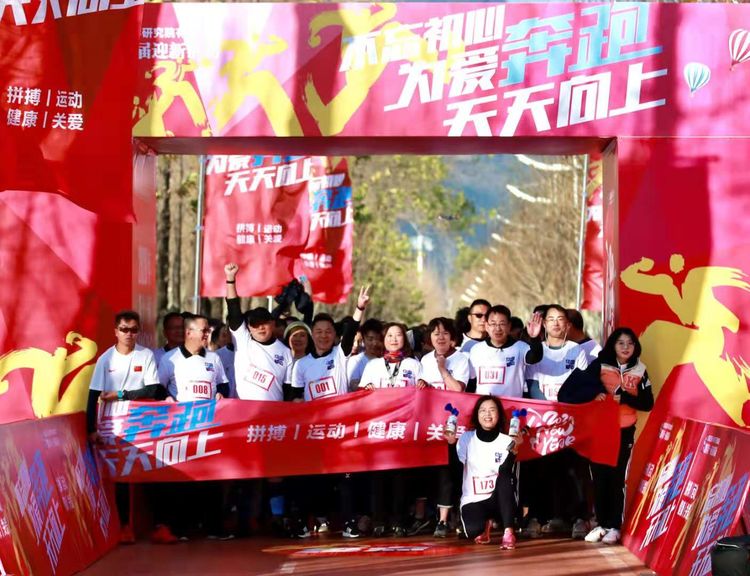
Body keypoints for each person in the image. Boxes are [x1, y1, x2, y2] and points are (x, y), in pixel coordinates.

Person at [86, 310, 160, 544]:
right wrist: (91, 429)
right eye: (124, 329)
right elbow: (93, 395)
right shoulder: (105, 359)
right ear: (116, 331)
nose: (129, 334)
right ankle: (125, 527)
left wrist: (120, 394)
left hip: (141, 424)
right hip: (113, 425)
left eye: (134, 330)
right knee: (121, 476)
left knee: (147, 472)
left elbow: (153, 389)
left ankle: (154, 525)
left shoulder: (146, 355)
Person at [158, 314, 230, 540]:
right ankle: (181, 528)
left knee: (212, 479)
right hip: (181, 430)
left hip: (209, 428)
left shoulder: (214, 359)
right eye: (204, 330)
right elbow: (158, 388)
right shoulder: (170, 359)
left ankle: (214, 527)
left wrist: (221, 394)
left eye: (208, 330)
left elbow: (224, 385)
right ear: (189, 333)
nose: (208, 333)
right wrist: (166, 399)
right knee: (183, 480)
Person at [581, 328, 654, 545]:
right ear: (613, 345)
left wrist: (625, 399)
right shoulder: (599, 365)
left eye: (630, 343)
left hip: (624, 431)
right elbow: (580, 388)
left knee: (617, 478)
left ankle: (615, 526)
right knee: (599, 477)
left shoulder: (640, 369)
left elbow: (648, 403)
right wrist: (594, 394)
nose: (625, 347)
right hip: (599, 430)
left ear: (635, 347)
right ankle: (601, 524)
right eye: (621, 343)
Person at [524, 304, 589, 539]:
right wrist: (548, 411)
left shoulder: (576, 350)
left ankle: (578, 518)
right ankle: (540, 517)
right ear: (544, 324)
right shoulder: (535, 350)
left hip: (569, 421)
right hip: (544, 422)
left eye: (560, 319)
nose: (555, 323)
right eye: (550, 319)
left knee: (572, 470)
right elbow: (531, 384)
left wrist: (564, 410)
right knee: (542, 470)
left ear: (567, 324)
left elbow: (582, 383)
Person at [445, 395, 520, 550]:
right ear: (477, 415)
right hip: (473, 499)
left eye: (492, 410)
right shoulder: (467, 438)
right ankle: (485, 526)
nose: (488, 414)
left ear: (499, 414)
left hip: (498, 499)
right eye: (483, 410)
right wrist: (451, 445)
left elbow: (506, 472)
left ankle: (508, 532)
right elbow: (456, 471)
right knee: (473, 531)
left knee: (504, 477)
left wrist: (514, 450)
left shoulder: (506, 440)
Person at [418, 317, 470, 537]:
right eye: (436, 333)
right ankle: (433, 518)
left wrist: (443, 370)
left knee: (452, 471)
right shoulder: (424, 360)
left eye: (445, 333)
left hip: (455, 424)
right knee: (435, 473)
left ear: (453, 338)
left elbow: (458, 389)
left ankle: (449, 518)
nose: (440, 337)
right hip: (431, 425)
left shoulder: (461, 359)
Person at [224, 263, 294, 401]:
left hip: (273, 412)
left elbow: (288, 391)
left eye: (264, 323)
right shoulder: (243, 341)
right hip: (244, 411)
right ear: (249, 328)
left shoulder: (286, 352)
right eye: (255, 324)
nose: (260, 328)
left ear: (272, 324)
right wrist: (230, 279)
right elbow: (233, 308)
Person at [468, 305, 543, 398]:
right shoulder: (476, 349)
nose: (498, 329)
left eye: (502, 324)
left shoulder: (520, 347)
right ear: (487, 326)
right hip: (485, 405)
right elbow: (471, 381)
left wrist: (535, 338)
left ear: (509, 326)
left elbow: (535, 357)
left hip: (512, 405)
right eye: (493, 324)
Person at [347, 318, 384, 390]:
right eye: (370, 339)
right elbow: (353, 383)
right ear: (363, 339)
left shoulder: (387, 360)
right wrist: (366, 388)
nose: (374, 343)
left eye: (378, 339)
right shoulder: (355, 361)